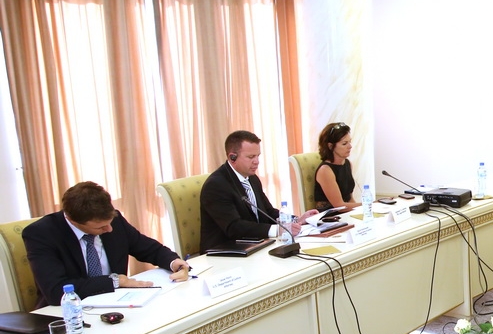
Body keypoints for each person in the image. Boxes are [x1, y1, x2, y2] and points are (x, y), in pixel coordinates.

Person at [23, 181, 189, 307]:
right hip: (70, 314)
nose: (109, 229)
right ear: (74, 221)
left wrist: (174, 262)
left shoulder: (113, 220)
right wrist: (115, 281)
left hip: (119, 304)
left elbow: (148, 248)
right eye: (100, 227)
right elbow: (56, 290)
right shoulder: (41, 234)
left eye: (109, 223)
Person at [200, 130, 317, 251]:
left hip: (254, 245)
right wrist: (278, 230)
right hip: (225, 252)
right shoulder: (216, 185)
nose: (256, 161)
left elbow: (267, 212)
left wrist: (296, 220)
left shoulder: (252, 178)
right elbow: (234, 227)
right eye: (251, 157)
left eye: (258, 156)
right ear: (232, 157)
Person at [314, 122, 359, 211]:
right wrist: (369, 204)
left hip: (345, 214)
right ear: (330, 146)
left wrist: (363, 211)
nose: (350, 146)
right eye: (344, 143)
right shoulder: (325, 170)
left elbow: (349, 198)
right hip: (330, 216)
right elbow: (339, 206)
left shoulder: (347, 164)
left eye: (350, 142)